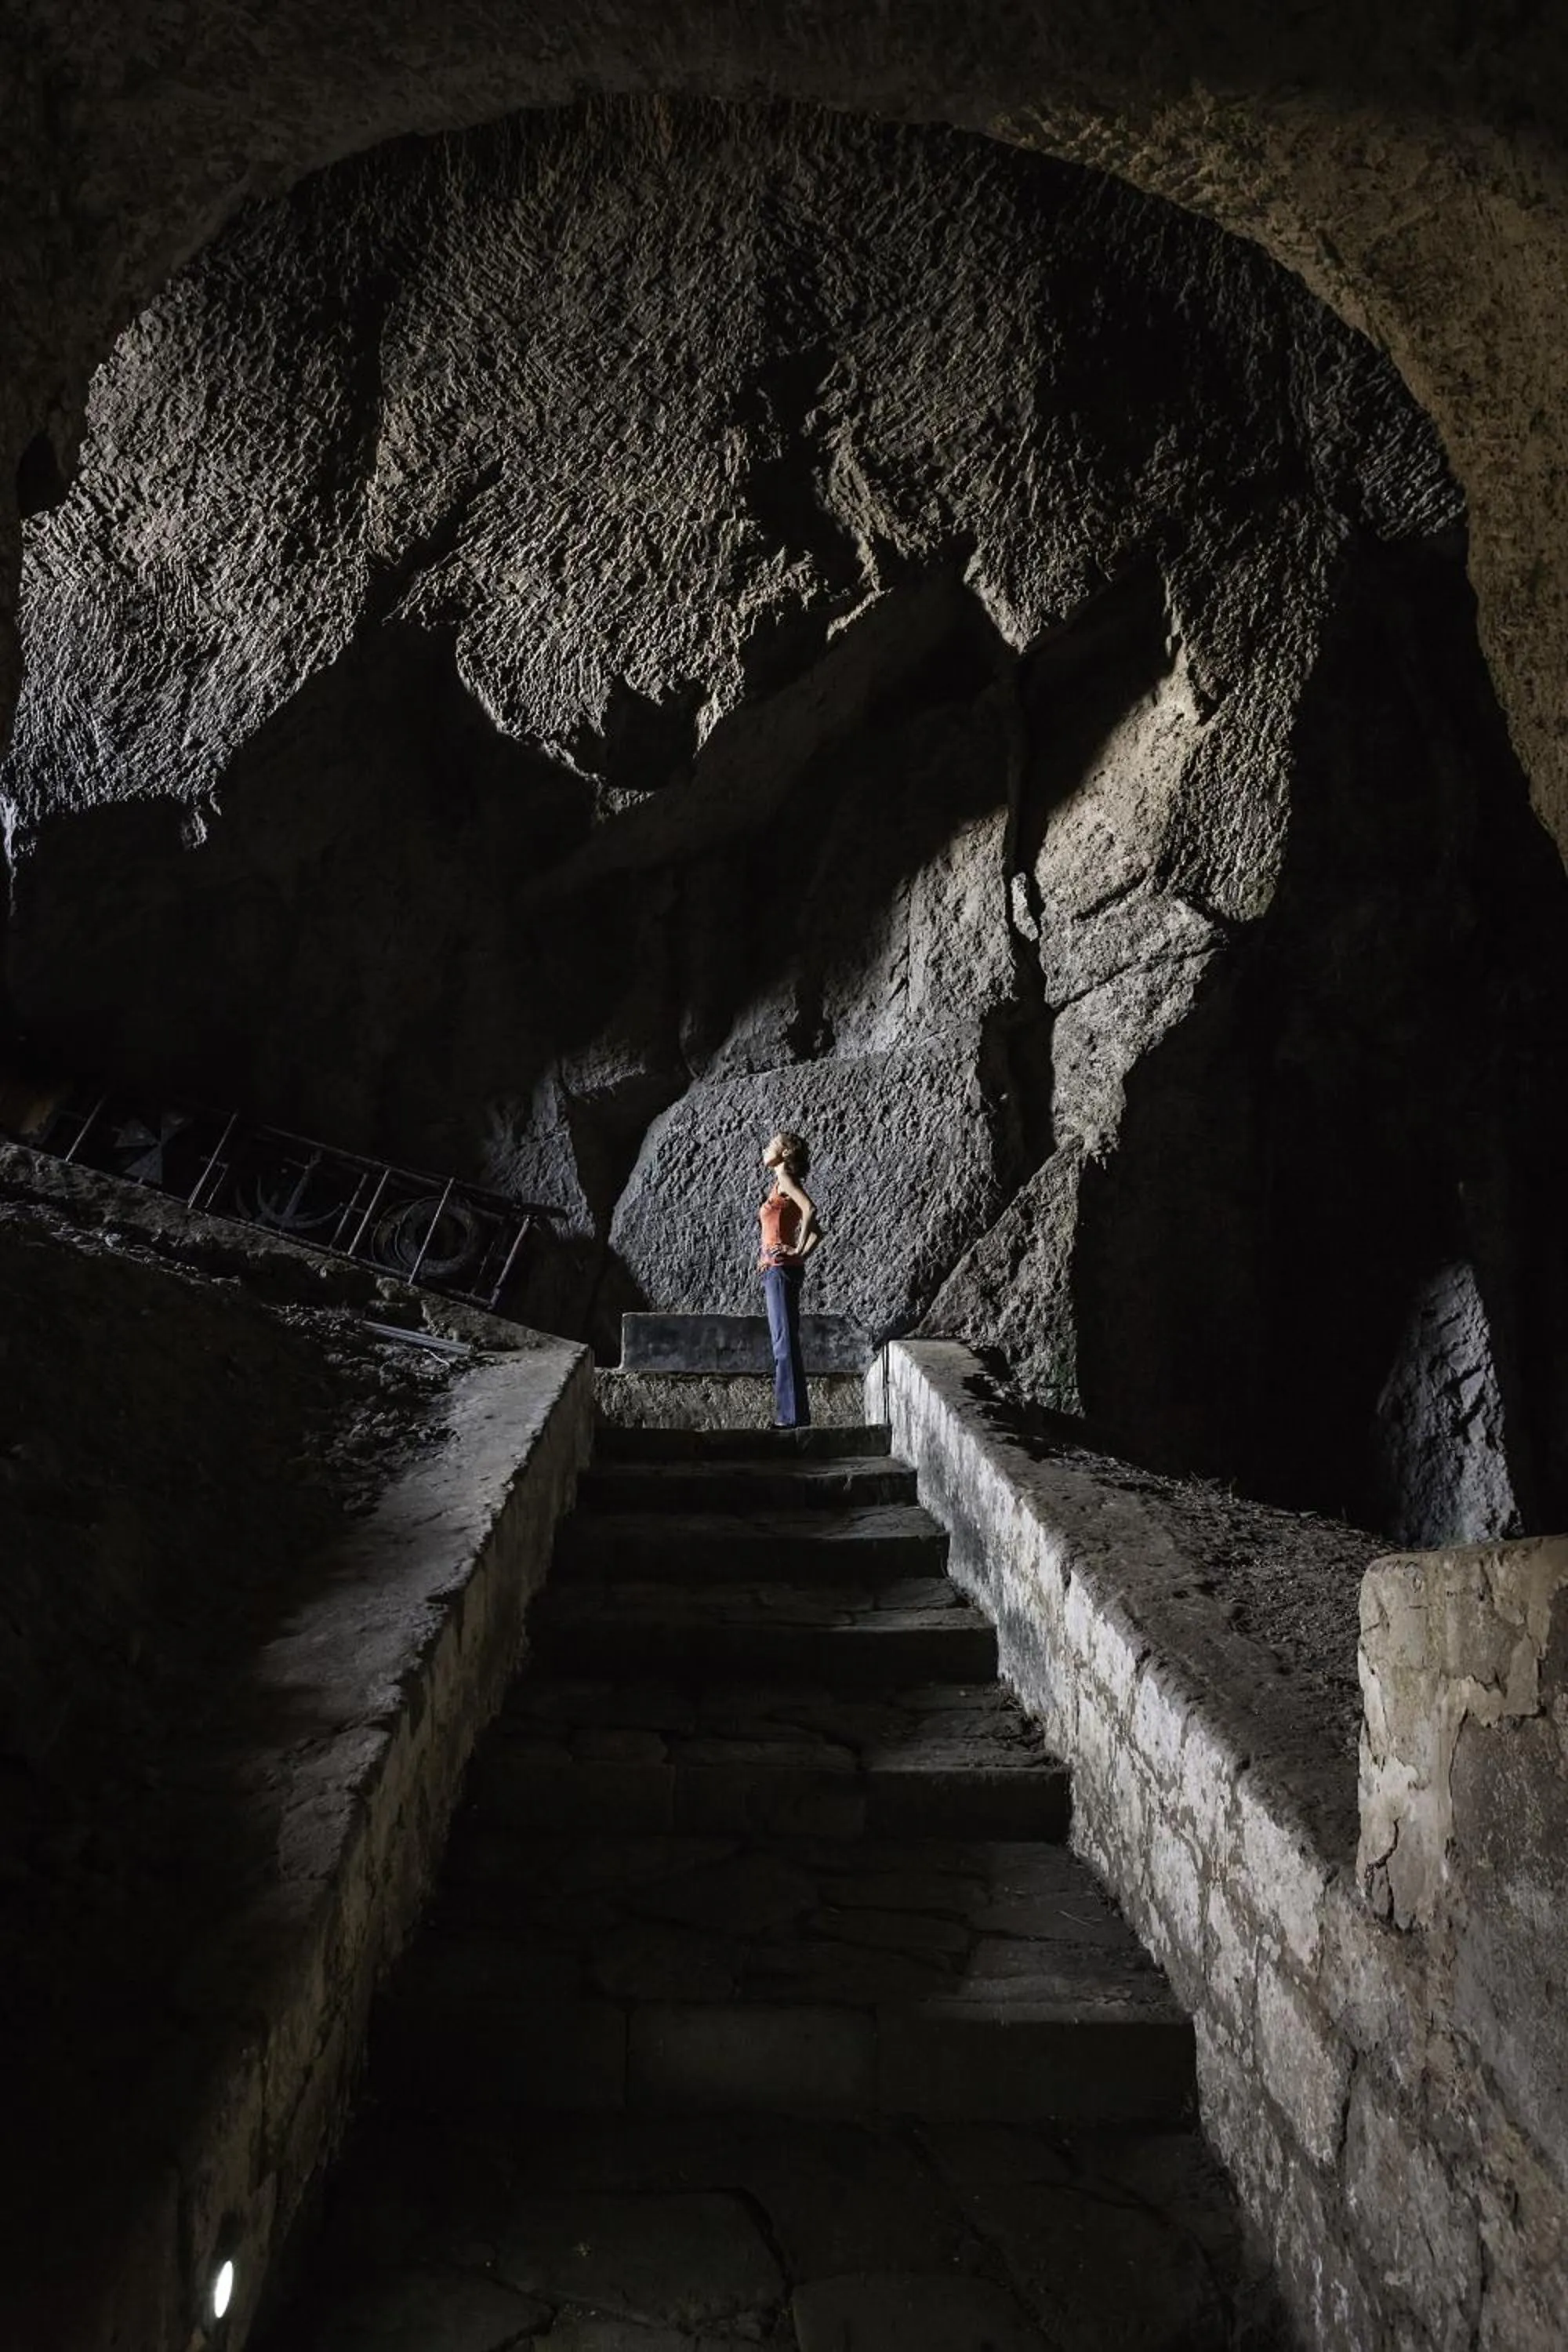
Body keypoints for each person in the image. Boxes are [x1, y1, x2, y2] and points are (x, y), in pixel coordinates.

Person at [757, 1130, 822, 1429]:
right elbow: (818, 1234)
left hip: (781, 1271)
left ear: (784, 1153)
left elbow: (810, 1210)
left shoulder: (784, 1179)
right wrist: (798, 1255)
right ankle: (794, 1416)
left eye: (771, 1145)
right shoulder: (780, 1184)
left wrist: (794, 1251)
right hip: (779, 1269)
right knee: (784, 1342)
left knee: (783, 1344)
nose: (765, 1149)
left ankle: (791, 1418)